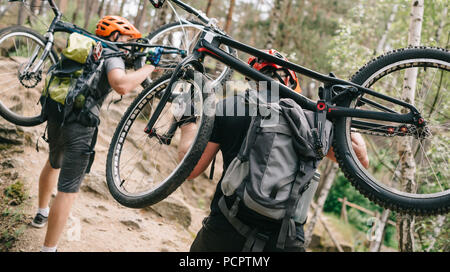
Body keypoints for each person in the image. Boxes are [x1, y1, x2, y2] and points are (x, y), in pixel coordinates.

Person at [185, 50, 369, 252]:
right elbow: (360, 161)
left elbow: (191, 170)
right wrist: (342, 117)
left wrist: (187, 122)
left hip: (226, 228)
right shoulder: (309, 120)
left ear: (252, 79)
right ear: (291, 81)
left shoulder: (229, 107)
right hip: (284, 239)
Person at [30, 16, 156, 252]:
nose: (128, 43)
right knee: (68, 189)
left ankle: (41, 213)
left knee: (53, 162)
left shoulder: (85, 45)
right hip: (81, 122)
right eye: (127, 38)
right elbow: (121, 84)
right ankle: (49, 249)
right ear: (115, 36)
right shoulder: (111, 54)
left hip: (57, 112)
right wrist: (150, 67)